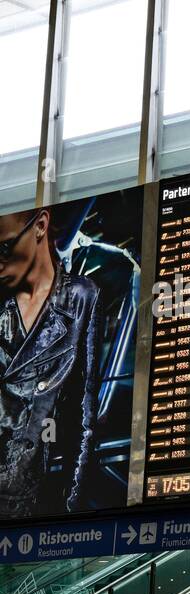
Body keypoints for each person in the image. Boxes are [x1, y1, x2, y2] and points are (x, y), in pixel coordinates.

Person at [0, 206, 101, 518]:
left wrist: (68, 515)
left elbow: (80, 419)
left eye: (4, 246)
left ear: (40, 225)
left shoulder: (79, 297)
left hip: (26, 500)